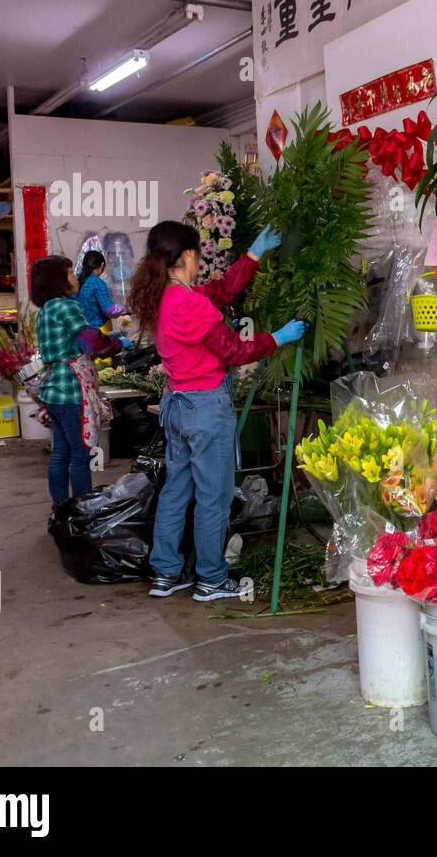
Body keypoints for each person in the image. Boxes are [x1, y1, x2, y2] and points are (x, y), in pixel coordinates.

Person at [127, 221, 304, 602]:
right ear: (188, 254)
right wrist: (277, 337)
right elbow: (233, 351)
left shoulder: (162, 296)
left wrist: (253, 255)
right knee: (214, 496)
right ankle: (211, 578)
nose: (200, 264)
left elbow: (219, 292)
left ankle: (166, 573)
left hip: (176, 403)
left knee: (176, 492)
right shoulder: (188, 303)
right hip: (206, 408)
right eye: (198, 257)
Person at [31, 255, 129, 507]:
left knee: (61, 453)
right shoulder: (67, 307)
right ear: (58, 280)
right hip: (72, 391)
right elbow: (91, 343)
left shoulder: (44, 311)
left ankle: (61, 508)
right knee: (80, 454)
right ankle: (84, 509)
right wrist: (116, 343)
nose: (76, 276)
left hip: (53, 390)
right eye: (70, 273)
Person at [75, 250, 129, 332]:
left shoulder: (76, 279)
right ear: (102, 265)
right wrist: (127, 308)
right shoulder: (97, 282)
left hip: (80, 332)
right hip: (97, 331)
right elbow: (110, 309)